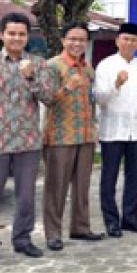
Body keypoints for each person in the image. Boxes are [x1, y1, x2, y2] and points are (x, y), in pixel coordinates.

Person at [0, 12, 54, 266]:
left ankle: (22, 239)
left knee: (26, 196)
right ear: (2, 35)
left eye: (21, 34)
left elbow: (49, 99)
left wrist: (30, 77)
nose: (16, 38)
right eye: (11, 33)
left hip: (28, 141)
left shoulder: (39, 64)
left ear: (27, 36)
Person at [41, 22, 104, 251]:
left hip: (85, 135)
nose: (77, 43)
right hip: (60, 137)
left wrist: (94, 127)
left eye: (81, 39)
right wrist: (66, 87)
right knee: (56, 188)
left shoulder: (88, 69)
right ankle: (53, 233)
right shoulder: (52, 66)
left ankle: (80, 227)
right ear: (63, 40)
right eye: (73, 39)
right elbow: (46, 98)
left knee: (82, 186)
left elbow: (92, 101)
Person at [94, 22, 137, 238]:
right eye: (125, 39)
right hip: (112, 130)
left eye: (133, 40)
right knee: (109, 177)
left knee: (133, 177)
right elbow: (99, 99)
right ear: (117, 41)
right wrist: (116, 84)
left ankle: (130, 218)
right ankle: (111, 221)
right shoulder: (105, 66)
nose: (129, 43)